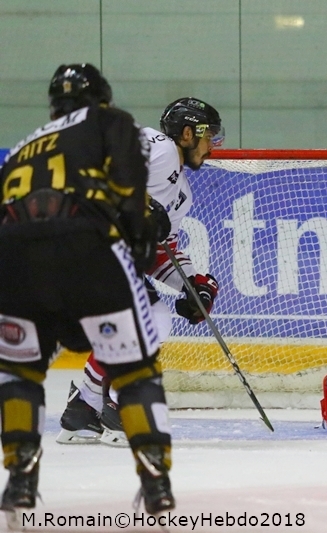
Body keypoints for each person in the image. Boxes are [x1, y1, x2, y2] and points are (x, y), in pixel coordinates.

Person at [0, 63, 173, 518]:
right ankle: (155, 483)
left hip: (14, 259)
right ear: (101, 97)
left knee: (20, 377)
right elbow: (128, 183)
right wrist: (139, 239)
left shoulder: (21, 147)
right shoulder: (108, 121)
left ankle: (19, 480)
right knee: (134, 371)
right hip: (85, 248)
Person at [57, 96, 224, 446]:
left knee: (148, 320)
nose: (213, 147)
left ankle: (84, 410)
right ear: (189, 133)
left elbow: (162, 256)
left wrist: (194, 285)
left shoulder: (183, 195)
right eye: (210, 137)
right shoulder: (159, 147)